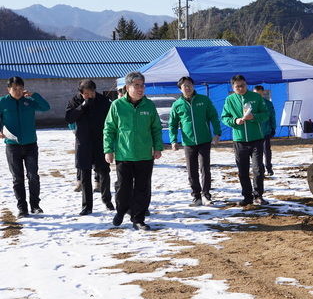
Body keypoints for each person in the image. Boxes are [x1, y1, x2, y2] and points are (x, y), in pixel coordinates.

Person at [103, 72, 163, 230]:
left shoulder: (149, 105)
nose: (140, 88)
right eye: (136, 85)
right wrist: (108, 150)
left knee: (142, 189)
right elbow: (109, 129)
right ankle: (121, 211)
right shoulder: (117, 105)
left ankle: (138, 218)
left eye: (142, 85)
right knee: (124, 187)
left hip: (144, 154)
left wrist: (158, 147)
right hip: (124, 154)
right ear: (127, 87)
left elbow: (156, 128)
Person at [0, 76, 50, 218]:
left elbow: (46, 107)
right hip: (12, 146)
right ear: (8, 89)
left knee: (33, 176)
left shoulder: (29, 101)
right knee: (18, 178)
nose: (18, 91)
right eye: (14, 89)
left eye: (20, 88)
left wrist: (34, 95)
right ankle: (22, 208)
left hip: (30, 145)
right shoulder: (2, 102)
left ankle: (35, 205)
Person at [169, 76, 222, 207]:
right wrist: (173, 140)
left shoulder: (203, 100)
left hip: (204, 140)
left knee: (205, 168)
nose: (187, 88)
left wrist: (217, 133)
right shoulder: (177, 105)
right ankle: (196, 196)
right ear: (180, 89)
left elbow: (213, 116)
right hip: (188, 142)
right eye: (184, 86)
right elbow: (173, 124)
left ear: (193, 86)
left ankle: (206, 195)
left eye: (189, 85)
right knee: (191, 170)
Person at [65, 79, 114, 215]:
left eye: (91, 92)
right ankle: (87, 206)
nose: (90, 95)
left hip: (100, 142)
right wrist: (83, 106)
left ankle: (107, 200)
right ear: (81, 93)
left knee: (104, 172)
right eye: (86, 93)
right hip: (83, 142)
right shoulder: (74, 101)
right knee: (85, 174)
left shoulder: (103, 100)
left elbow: (111, 119)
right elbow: (69, 118)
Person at [221, 75, 269, 206]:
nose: (241, 88)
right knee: (242, 170)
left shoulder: (256, 97)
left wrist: (254, 117)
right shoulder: (229, 100)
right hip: (240, 140)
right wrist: (235, 121)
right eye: (237, 86)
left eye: (243, 85)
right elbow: (224, 117)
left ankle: (258, 195)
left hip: (256, 139)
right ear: (233, 87)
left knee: (258, 168)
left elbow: (266, 114)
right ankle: (247, 197)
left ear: (246, 84)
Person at [252, 85, 276, 176]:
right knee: (257, 152)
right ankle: (259, 169)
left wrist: (273, 127)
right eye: (255, 94)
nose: (258, 96)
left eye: (259, 94)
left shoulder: (268, 104)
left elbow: (272, 116)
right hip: (254, 132)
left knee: (267, 150)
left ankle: (269, 168)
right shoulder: (250, 105)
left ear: (263, 93)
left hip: (265, 131)